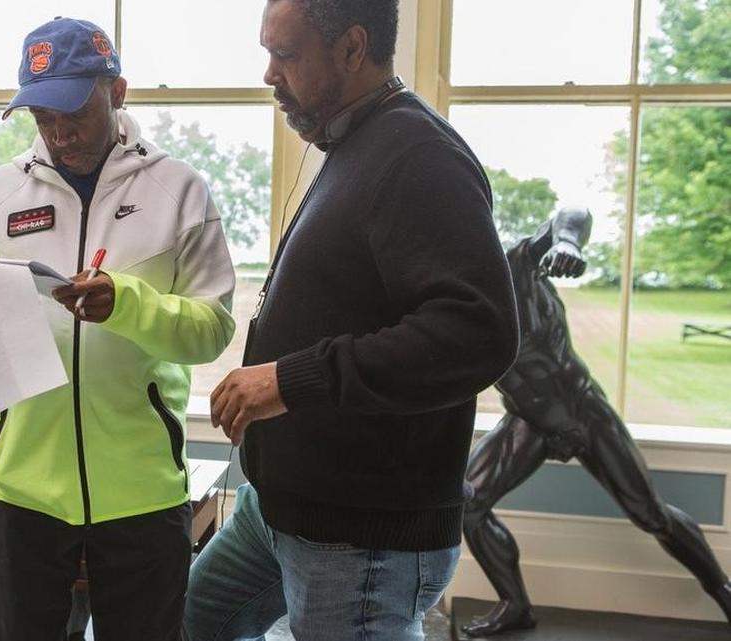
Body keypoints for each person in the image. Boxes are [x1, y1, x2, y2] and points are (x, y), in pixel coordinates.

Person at [183, 1, 519, 640]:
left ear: (352, 48)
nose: (268, 75)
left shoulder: (419, 156)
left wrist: (290, 380)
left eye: (286, 54)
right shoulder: (356, 143)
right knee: (195, 620)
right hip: (278, 509)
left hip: (361, 538)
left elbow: (478, 331)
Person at [0, 16, 236, 641]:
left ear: (117, 92)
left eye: (75, 113)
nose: (60, 134)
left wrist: (128, 306)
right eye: (42, 118)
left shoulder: (179, 191)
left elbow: (211, 329)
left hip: (141, 490)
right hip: (20, 487)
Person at [461, 207, 731, 636]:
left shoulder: (515, 266)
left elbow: (571, 214)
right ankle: (515, 605)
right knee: (469, 505)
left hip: (580, 410)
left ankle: (723, 591)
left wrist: (567, 242)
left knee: (650, 515)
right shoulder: (449, 304)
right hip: (526, 421)